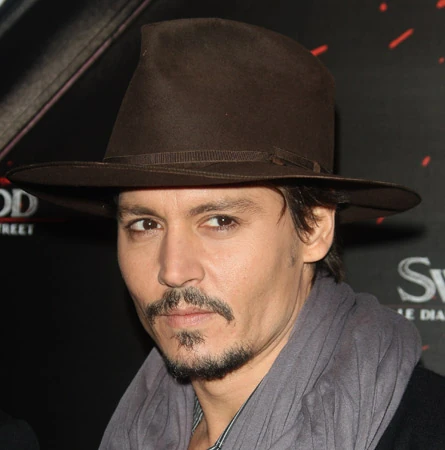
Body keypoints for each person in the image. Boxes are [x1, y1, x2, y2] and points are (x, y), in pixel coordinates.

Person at [7, 18, 445, 450]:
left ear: (313, 228)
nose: (173, 270)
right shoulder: (137, 426)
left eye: (220, 221)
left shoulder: (424, 431)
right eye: (145, 224)